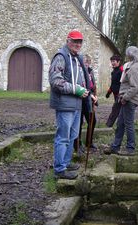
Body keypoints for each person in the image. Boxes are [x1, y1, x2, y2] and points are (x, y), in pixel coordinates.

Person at [49, 30, 91, 179]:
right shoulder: (61, 57)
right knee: (63, 137)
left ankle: (66, 163)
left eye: (80, 42)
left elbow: (81, 80)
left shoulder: (77, 58)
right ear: (68, 41)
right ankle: (59, 170)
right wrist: (76, 89)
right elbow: (55, 82)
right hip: (64, 105)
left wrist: (88, 92)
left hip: (77, 105)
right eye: (74, 41)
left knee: (73, 135)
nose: (78, 44)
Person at [106, 46, 138, 156]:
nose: (126, 56)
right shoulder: (133, 66)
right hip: (126, 99)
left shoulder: (135, 68)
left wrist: (125, 97)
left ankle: (130, 148)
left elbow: (135, 87)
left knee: (128, 124)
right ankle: (115, 146)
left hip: (129, 100)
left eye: (127, 54)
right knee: (120, 123)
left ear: (129, 55)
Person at [74, 54, 98, 155]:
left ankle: (89, 142)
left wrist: (95, 97)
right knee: (78, 123)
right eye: (85, 63)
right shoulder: (77, 72)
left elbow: (93, 86)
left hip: (89, 101)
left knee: (93, 121)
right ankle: (77, 144)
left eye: (88, 63)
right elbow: (79, 85)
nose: (86, 65)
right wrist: (90, 94)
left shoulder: (90, 71)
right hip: (80, 100)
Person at [105, 54, 123, 127]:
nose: (112, 63)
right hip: (115, 94)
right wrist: (109, 92)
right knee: (119, 110)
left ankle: (108, 125)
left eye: (114, 61)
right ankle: (121, 124)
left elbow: (124, 83)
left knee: (115, 109)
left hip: (121, 94)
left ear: (118, 62)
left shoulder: (121, 71)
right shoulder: (113, 72)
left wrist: (122, 94)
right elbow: (113, 84)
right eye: (111, 61)